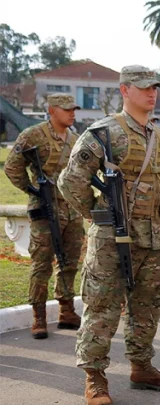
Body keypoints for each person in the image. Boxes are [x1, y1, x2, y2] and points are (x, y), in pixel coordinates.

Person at [59, 66, 160, 405]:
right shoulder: (104, 133)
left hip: (153, 237)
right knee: (103, 307)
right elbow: (71, 182)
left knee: (148, 306)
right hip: (113, 238)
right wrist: (99, 215)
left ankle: (141, 367)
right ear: (125, 90)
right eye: (143, 88)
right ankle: (95, 376)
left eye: (154, 87)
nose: (151, 93)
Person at [5, 93, 84, 339]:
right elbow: (12, 166)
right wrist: (32, 189)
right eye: (66, 109)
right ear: (51, 110)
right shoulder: (33, 135)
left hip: (71, 209)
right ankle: (38, 317)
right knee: (41, 264)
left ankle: (67, 311)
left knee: (69, 262)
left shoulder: (76, 138)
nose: (72, 113)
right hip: (45, 208)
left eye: (73, 109)